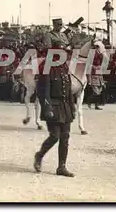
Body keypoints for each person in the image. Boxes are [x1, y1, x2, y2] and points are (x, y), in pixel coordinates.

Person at [33, 18, 76, 177]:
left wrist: (73, 106)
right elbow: (43, 90)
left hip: (65, 106)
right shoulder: (47, 67)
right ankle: (39, 155)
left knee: (65, 137)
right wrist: (47, 108)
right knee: (55, 136)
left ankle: (61, 167)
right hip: (53, 106)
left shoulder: (64, 68)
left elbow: (69, 88)